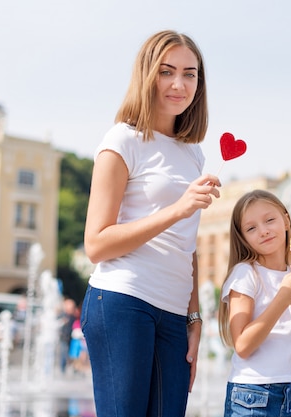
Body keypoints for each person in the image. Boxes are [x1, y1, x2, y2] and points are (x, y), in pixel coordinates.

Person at [81, 30, 221, 417]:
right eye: (167, 71)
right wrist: (177, 208)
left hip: (174, 313)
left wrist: (194, 317)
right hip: (123, 301)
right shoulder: (122, 140)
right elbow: (96, 243)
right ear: (147, 76)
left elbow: (185, 244)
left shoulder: (193, 154)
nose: (179, 84)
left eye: (190, 74)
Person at [218, 190, 291, 417]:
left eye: (269, 220)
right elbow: (243, 346)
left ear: (286, 220)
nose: (263, 231)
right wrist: (283, 297)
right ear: (243, 237)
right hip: (251, 395)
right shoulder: (245, 274)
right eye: (251, 228)